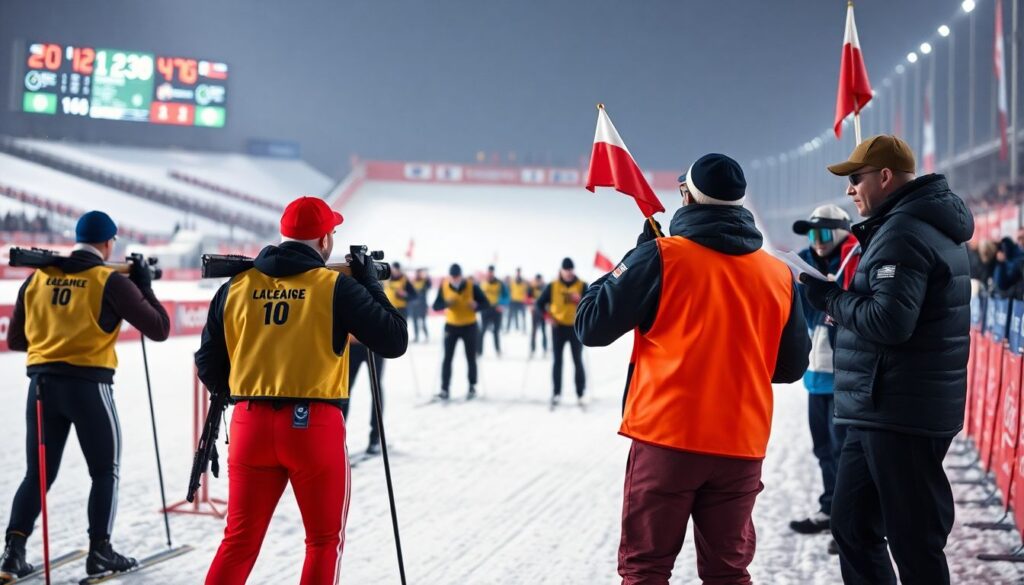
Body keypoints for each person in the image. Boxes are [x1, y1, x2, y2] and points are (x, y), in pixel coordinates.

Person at [576, 153, 810, 584]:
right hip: (741, 445)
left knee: (645, 568)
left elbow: (591, 325)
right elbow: (791, 367)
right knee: (728, 572)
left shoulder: (662, 257)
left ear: (687, 196)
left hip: (669, 438)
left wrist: (633, 259)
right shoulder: (778, 275)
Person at [196, 196, 408, 584]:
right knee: (324, 541)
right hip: (314, 426)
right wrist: (371, 284)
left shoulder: (237, 286)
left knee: (239, 542)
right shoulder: (333, 286)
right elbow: (394, 340)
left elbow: (208, 362)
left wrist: (244, 392)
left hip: (249, 424)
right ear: (326, 240)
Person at [800, 135, 972, 585]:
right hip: (881, 407)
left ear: (884, 176)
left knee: (913, 543)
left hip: (900, 412)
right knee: (852, 527)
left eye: (855, 179)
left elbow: (890, 320)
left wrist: (830, 299)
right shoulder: (903, 225)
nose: (849, 190)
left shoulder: (904, 231)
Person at [0, 211, 171, 580]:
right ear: (109, 243)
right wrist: (144, 286)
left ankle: (12, 554)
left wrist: (55, 334)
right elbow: (159, 328)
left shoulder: (37, 279)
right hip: (90, 387)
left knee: (37, 475)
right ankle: (100, 552)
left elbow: (16, 341)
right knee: (104, 472)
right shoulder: (108, 280)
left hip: (42, 387)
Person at [788, 204, 861, 554]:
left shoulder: (853, 261)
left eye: (823, 233)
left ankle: (849, 522)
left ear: (842, 232)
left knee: (844, 450)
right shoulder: (806, 262)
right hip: (816, 374)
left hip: (844, 375)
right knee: (823, 449)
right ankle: (830, 508)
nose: (816, 242)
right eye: (811, 234)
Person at [432, 263, 490, 400]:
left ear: (461, 275)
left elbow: (486, 304)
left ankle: (472, 387)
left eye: (457, 276)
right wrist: (446, 303)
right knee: (447, 358)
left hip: (469, 326)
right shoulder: (444, 286)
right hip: (451, 326)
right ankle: (444, 389)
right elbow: (435, 306)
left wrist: (476, 306)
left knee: (471, 357)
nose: (455, 279)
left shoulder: (472, 286)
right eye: (452, 276)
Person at [535, 258, 587, 407]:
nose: (569, 273)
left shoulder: (582, 285)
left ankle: (580, 393)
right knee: (557, 361)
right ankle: (556, 393)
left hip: (576, 328)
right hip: (557, 327)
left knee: (577, 360)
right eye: (566, 270)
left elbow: (593, 304)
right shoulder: (552, 285)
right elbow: (539, 304)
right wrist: (547, 316)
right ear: (561, 271)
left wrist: (581, 300)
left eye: (571, 270)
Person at [341, 336, 386, 455]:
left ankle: (375, 437)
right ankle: (338, 436)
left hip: (375, 344)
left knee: (375, 389)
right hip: (352, 344)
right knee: (344, 390)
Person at [477, 265, 506, 357]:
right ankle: (479, 351)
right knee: (482, 331)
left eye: (491, 272)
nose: (490, 274)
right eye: (489, 272)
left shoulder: (500, 283)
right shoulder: (482, 283)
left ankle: (498, 350)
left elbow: (506, 296)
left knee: (496, 331)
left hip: (496, 309)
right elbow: (477, 296)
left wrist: (501, 304)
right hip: (485, 309)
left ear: (493, 272)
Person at [410, 268, 432, 342]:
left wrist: (427, 276)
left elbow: (429, 285)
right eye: (417, 273)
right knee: (415, 322)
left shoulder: (425, 281)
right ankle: (416, 337)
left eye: (419, 273)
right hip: (414, 306)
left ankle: (426, 336)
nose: (418, 274)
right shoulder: (413, 282)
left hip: (422, 305)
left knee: (423, 322)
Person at [529, 274, 548, 357]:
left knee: (544, 331)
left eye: (539, 281)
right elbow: (526, 298)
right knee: (534, 331)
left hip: (543, 312)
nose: (538, 282)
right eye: (537, 281)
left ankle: (545, 349)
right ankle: (532, 349)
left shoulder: (545, 288)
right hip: (535, 313)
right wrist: (531, 302)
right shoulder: (531, 288)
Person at [506, 268, 529, 332]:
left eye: (519, 272)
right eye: (517, 272)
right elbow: (509, 290)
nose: (518, 273)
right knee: (510, 316)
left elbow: (526, 291)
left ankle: (524, 329)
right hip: (513, 301)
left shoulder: (524, 282)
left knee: (523, 316)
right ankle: (507, 329)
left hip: (521, 301)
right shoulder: (512, 281)